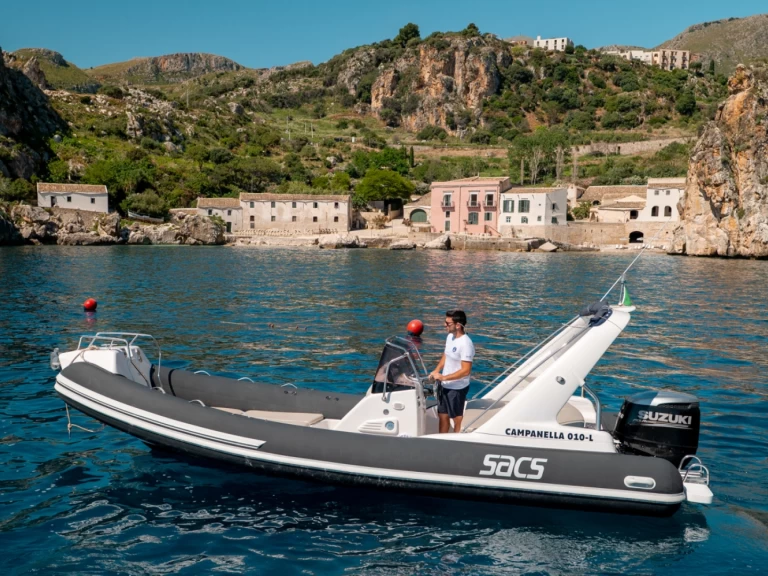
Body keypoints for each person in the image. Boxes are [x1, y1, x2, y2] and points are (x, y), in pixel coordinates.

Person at [429, 310, 474, 433]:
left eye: (448, 323)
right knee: (443, 415)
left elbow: (466, 371)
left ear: (458, 325)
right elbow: (446, 354)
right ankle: (441, 442)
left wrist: (443, 378)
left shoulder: (466, 344)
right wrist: (437, 370)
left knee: (456, 418)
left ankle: (457, 441)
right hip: (444, 385)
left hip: (457, 388)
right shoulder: (450, 337)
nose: (445, 325)